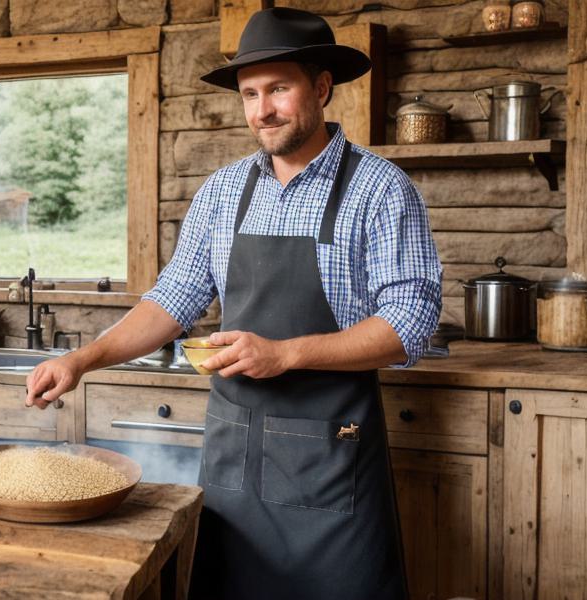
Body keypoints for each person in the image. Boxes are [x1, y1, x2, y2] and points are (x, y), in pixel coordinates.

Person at [25, 8, 441, 599]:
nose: (261, 110)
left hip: (331, 466)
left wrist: (286, 353)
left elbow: (411, 326)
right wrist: (81, 360)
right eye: (250, 93)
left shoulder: (380, 189)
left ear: (321, 87)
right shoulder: (222, 193)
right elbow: (171, 300)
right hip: (234, 464)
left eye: (279, 88)